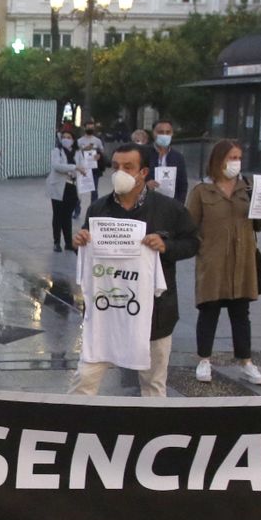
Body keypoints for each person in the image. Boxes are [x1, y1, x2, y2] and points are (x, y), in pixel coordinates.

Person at [69, 143, 199, 397]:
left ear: (144, 173)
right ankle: (73, 426)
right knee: (84, 379)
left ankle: (153, 431)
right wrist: (79, 243)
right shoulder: (99, 209)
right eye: (116, 167)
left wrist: (166, 246)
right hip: (105, 316)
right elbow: (88, 251)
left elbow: (193, 243)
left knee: (153, 383)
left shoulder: (168, 209)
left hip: (154, 314)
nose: (120, 172)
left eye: (128, 167)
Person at [188, 140, 261, 386]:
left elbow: (258, 225)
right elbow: (189, 225)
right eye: (231, 157)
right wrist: (200, 248)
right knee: (209, 311)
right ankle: (204, 360)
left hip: (242, 262)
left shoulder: (247, 189)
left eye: (239, 157)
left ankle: (246, 361)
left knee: (241, 314)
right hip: (213, 263)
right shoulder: (202, 192)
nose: (236, 162)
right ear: (218, 160)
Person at [46, 124, 88, 252]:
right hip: (58, 187)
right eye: (64, 137)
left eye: (69, 137)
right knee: (58, 215)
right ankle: (56, 242)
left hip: (72, 186)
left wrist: (79, 169)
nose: (66, 139)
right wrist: (73, 167)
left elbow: (83, 166)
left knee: (67, 215)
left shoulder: (77, 152)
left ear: (73, 139)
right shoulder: (56, 151)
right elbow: (57, 166)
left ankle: (68, 242)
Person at [147, 119, 190, 202]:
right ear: (153, 133)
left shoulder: (178, 157)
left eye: (168, 132)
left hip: (170, 205)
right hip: (147, 204)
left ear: (172, 134)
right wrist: (145, 186)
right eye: (160, 132)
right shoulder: (143, 154)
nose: (164, 135)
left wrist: (178, 207)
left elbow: (182, 185)